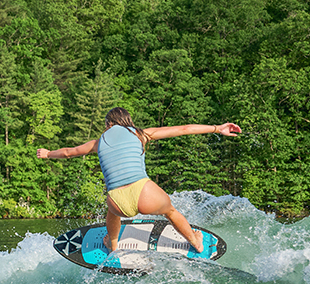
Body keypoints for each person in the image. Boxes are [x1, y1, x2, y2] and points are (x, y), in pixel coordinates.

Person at [37, 108, 240, 256]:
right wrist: (216, 128)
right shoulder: (139, 134)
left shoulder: (98, 142)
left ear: (108, 124)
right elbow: (183, 129)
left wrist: (48, 154)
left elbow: (68, 152)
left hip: (117, 202)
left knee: (111, 212)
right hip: (145, 194)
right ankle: (196, 242)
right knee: (170, 212)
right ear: (128, 121)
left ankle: (113, 243)